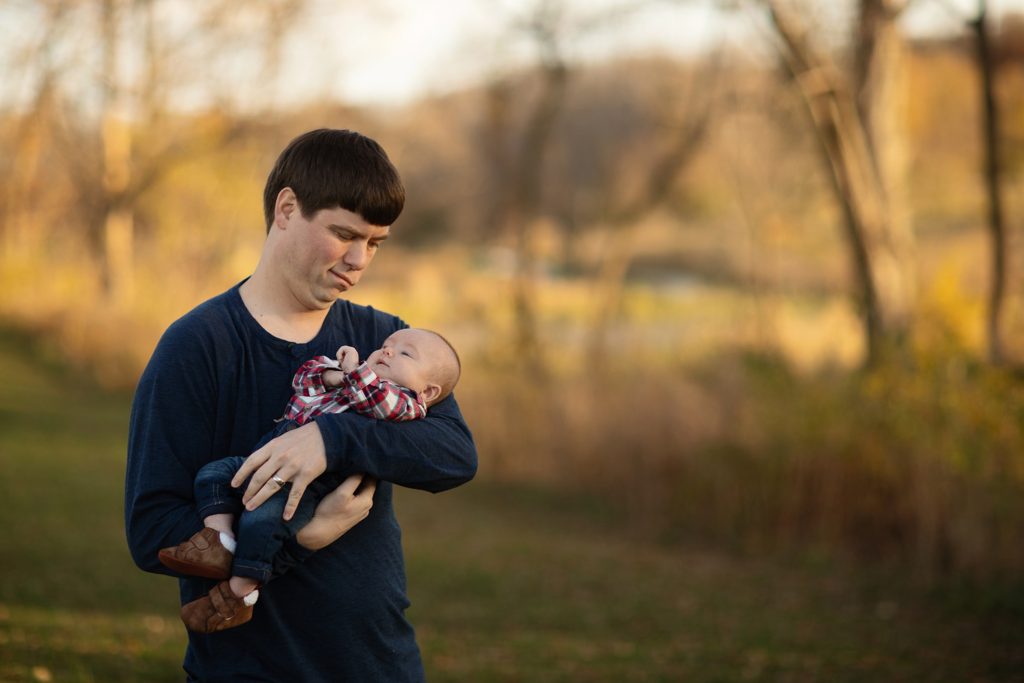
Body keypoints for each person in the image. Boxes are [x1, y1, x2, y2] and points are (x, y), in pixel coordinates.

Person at [125, 129, 477, 682]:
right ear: (286, 208)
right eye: (344, 234)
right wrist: (308, 538)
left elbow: (454, 454)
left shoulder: (384, 340)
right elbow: (152, 530)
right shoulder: (199, 345)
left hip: (380, 663)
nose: (359, 260)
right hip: (250, 670)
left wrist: (328, 439)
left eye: (376, 242)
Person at [158, 328, 461, 634]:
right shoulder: (353, 380)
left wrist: (354, 374)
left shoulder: (407, 403)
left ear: (429, 392)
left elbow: (378, 403)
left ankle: (238, 594)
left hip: (309, 485)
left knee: (261, 524)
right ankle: (218, 541)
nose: (387, 352)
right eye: (386, 346)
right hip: (268, 455)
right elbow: (304, 379)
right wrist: (335, 375)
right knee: (214, 474)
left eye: (405, 354)